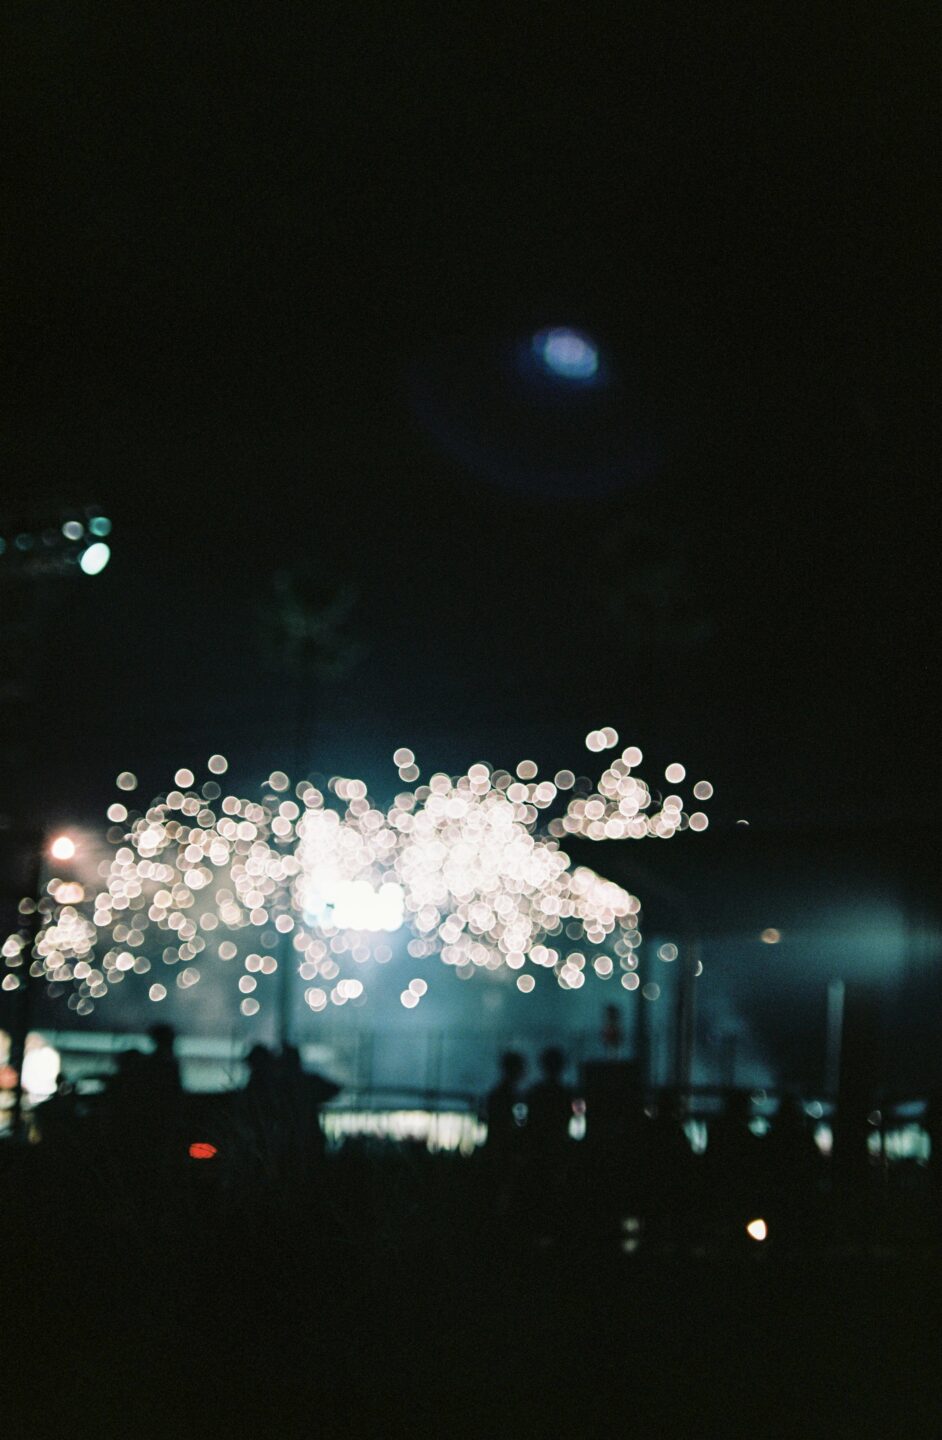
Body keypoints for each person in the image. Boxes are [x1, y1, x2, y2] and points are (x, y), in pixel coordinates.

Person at [483, 1050, 526, 1159]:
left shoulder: (495, 1094)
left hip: (495, 1149)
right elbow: (519, 1123)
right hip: (507, 1150)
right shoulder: (515, 1096)